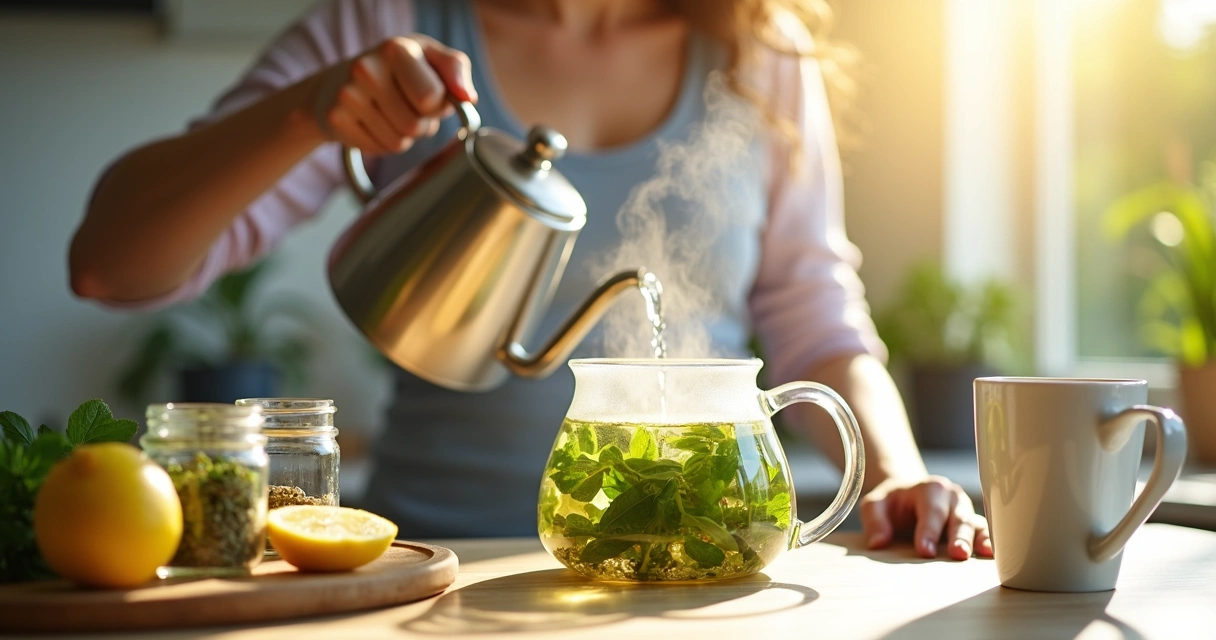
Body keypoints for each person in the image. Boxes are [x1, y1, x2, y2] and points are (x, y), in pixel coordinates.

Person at [70, 0, 991, 560]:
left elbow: (816, 315)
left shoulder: (760, 51)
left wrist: (894, 478)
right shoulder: (388, 24)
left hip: (705, 565)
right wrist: (311, 111)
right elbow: (111, 265)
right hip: (439, 568)